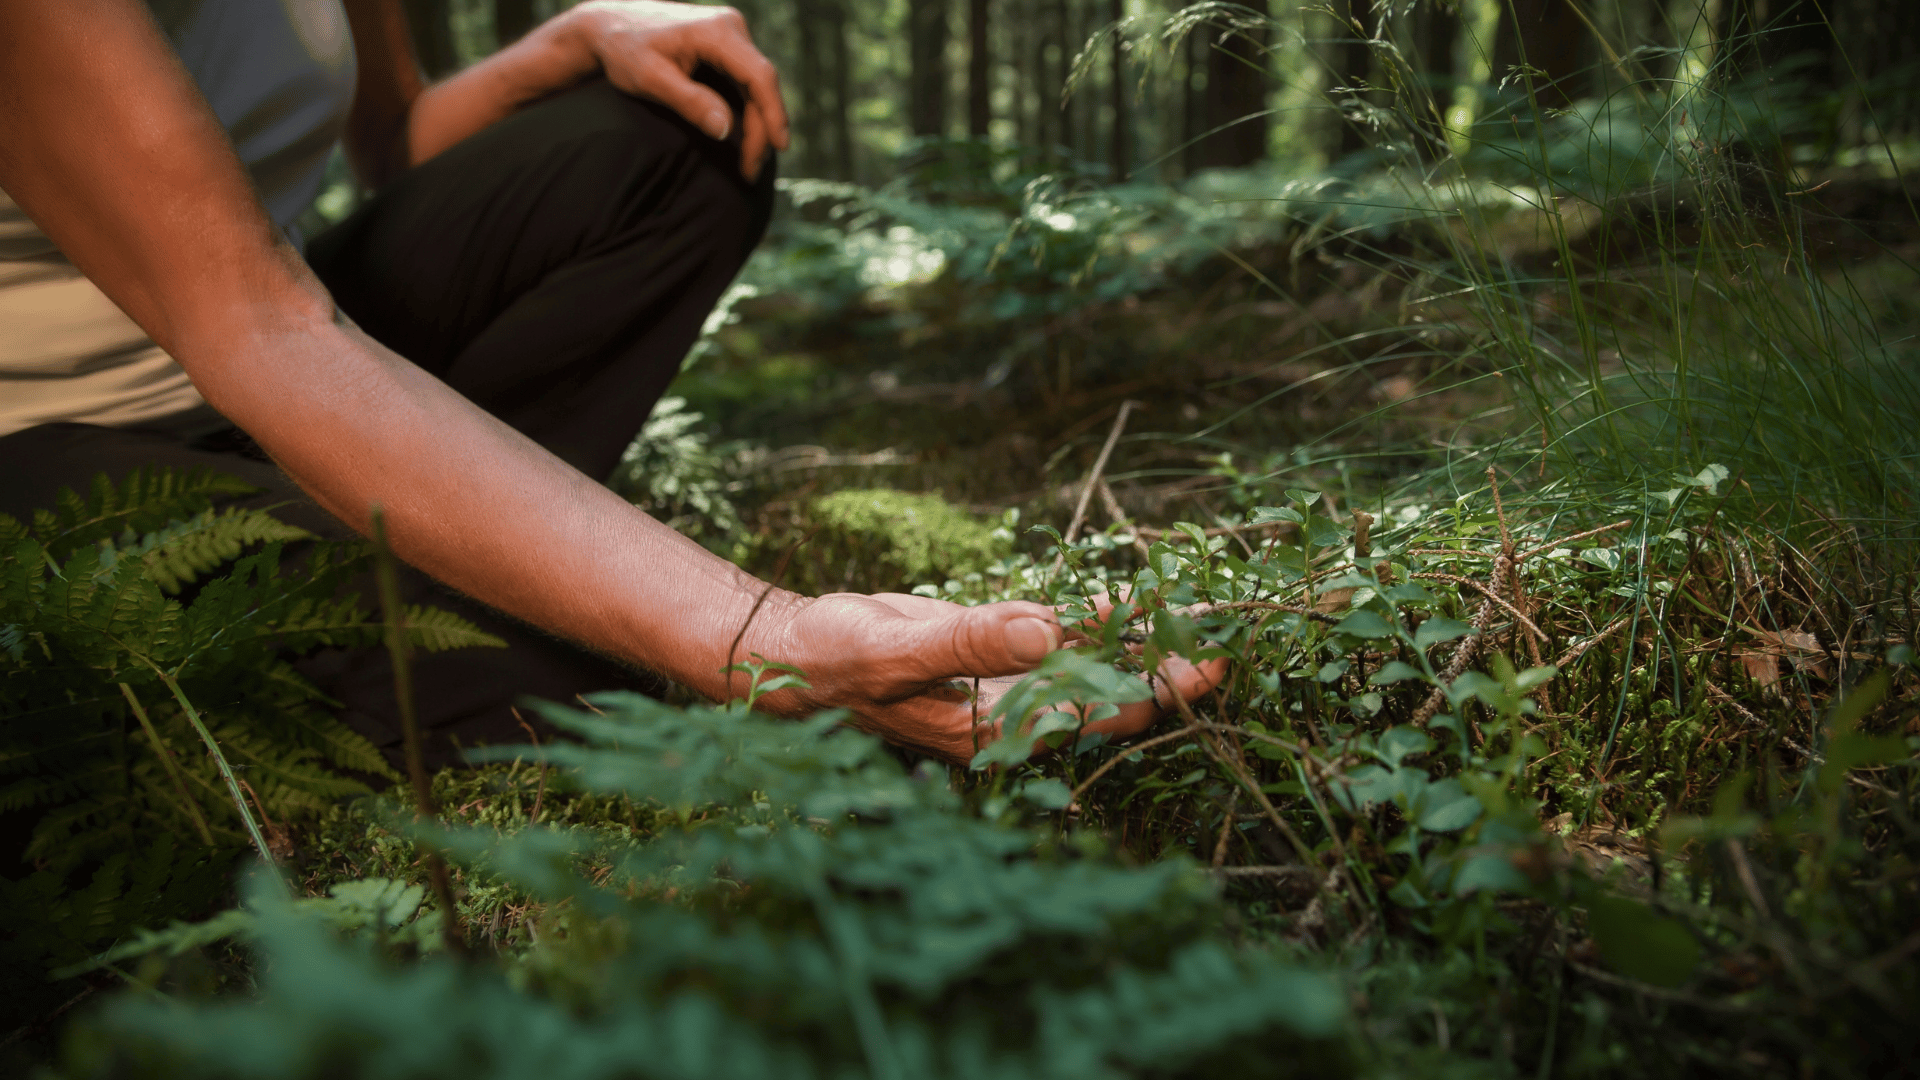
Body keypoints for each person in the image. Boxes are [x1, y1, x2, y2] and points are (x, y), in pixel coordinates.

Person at [0, 0, 1223, 767]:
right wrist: (765, 637)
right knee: (588, 681)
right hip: (62, 437)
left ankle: (452, 535)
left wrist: (573, 41)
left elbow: (394, 148)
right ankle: (469, 580)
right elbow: (259, 325)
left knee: (683, 135)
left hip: (293, 336)